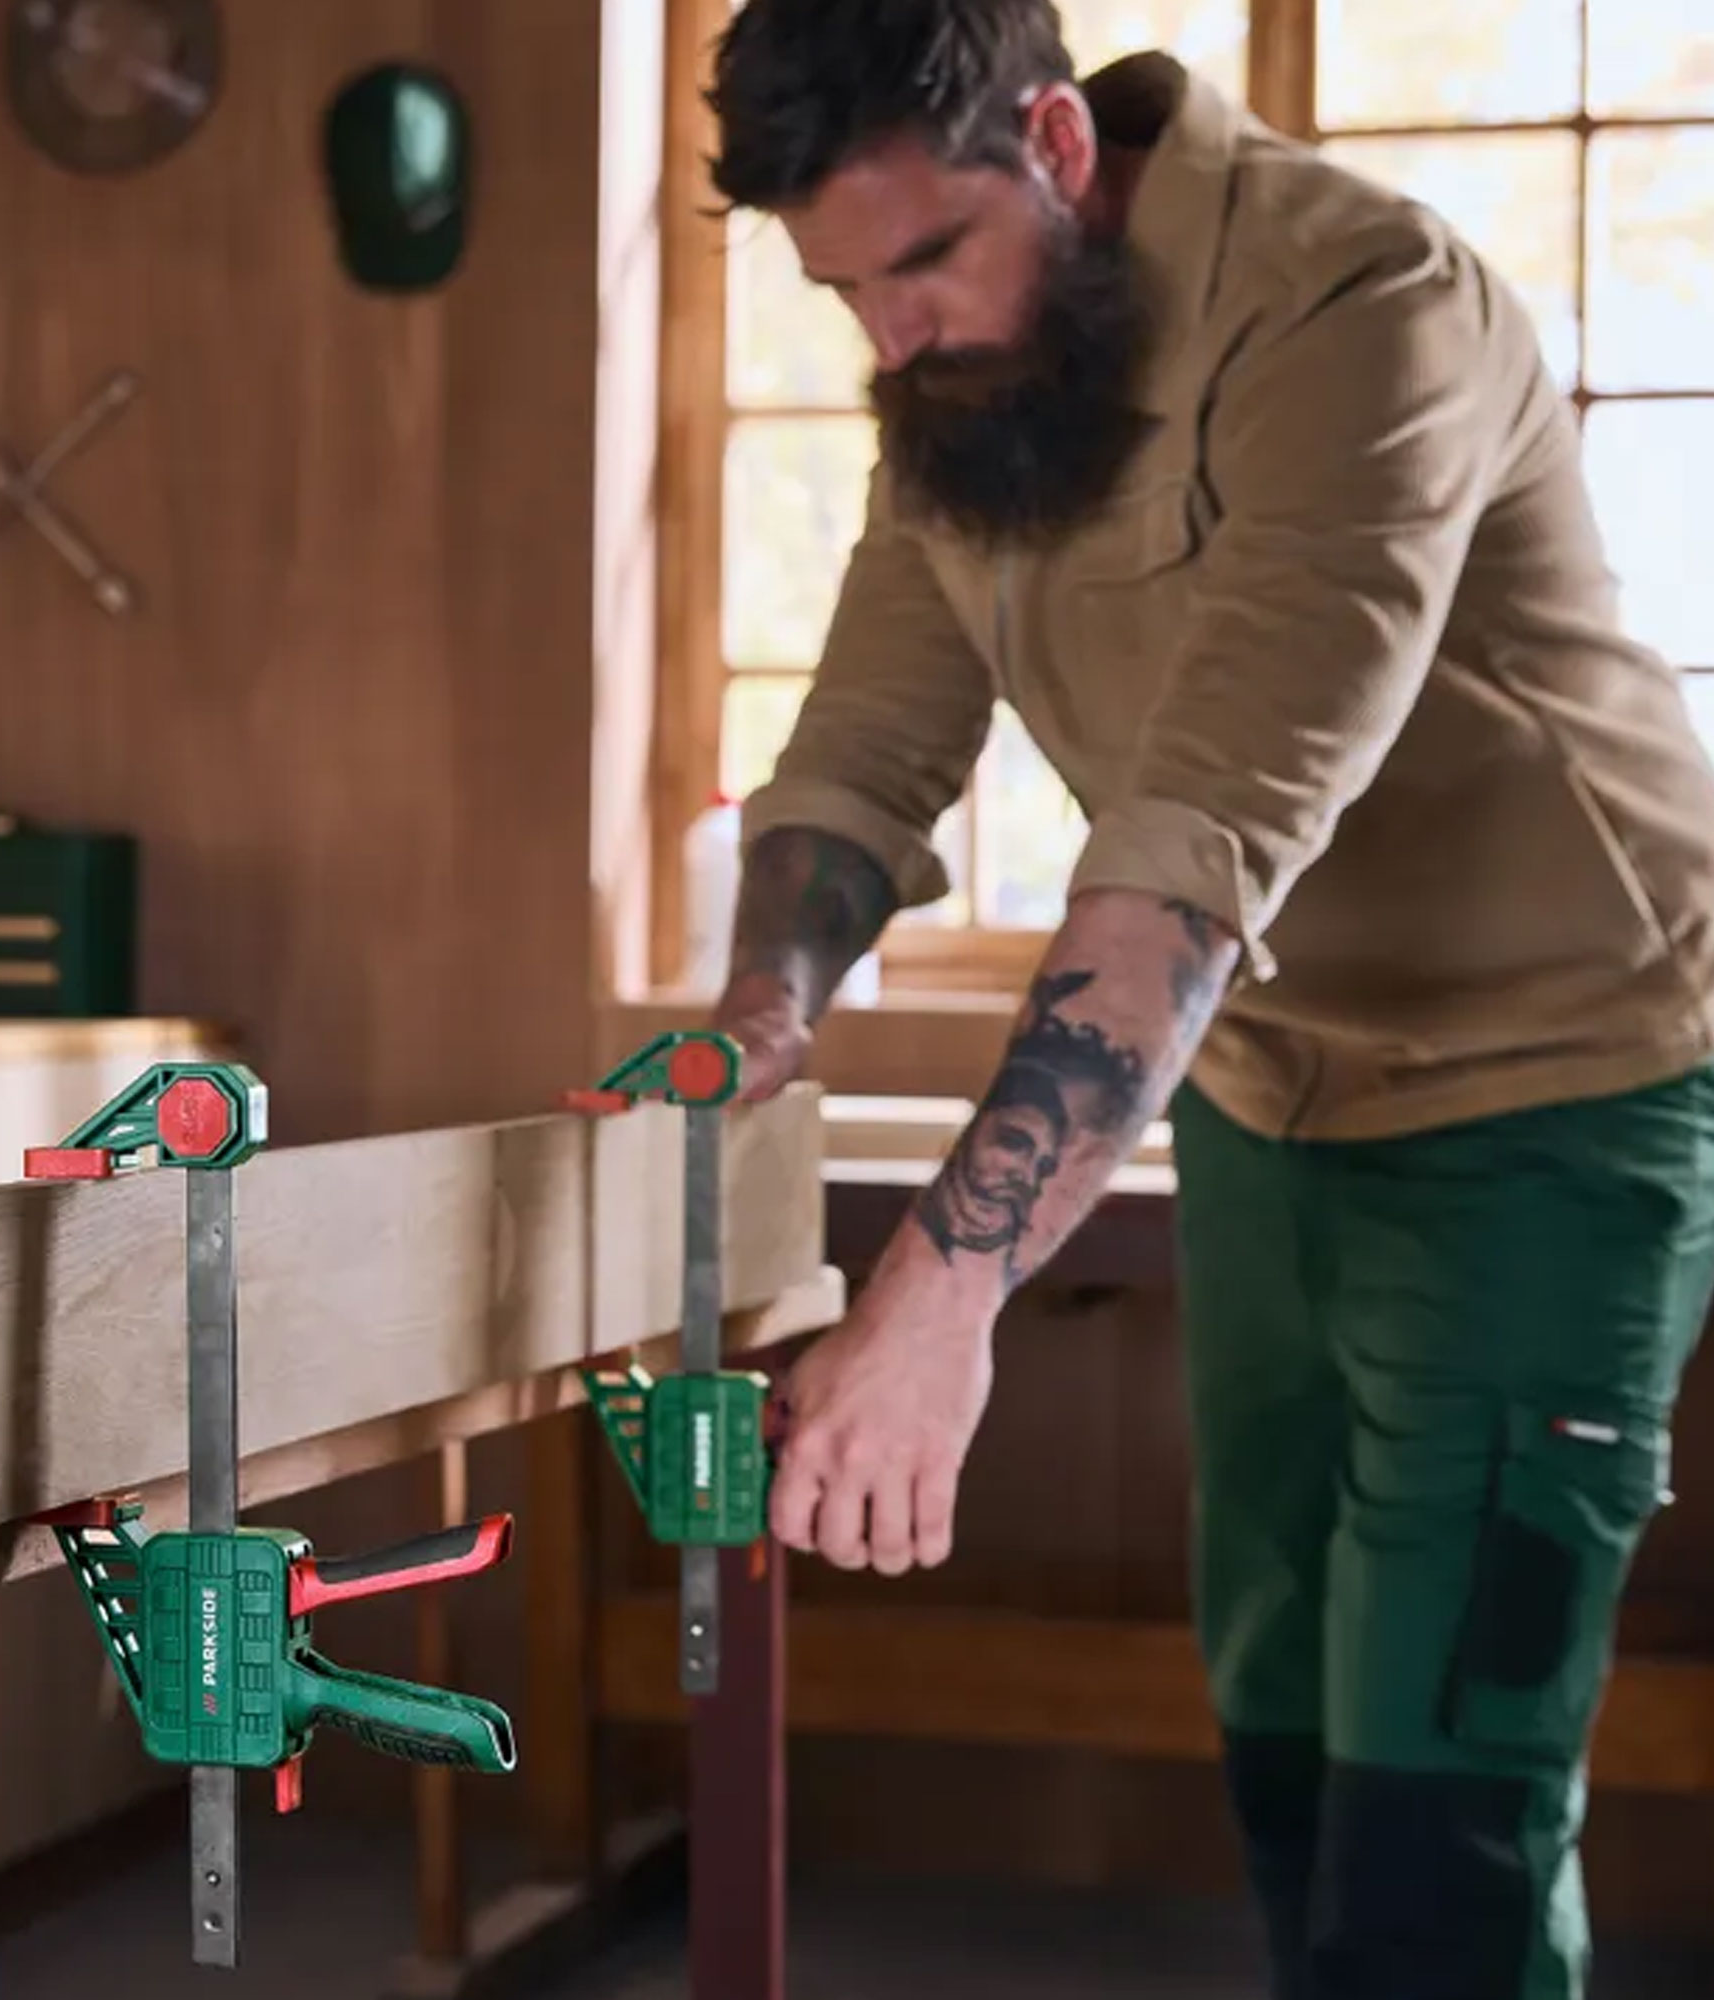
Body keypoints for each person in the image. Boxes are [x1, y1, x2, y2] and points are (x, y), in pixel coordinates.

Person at [699, 3, 1714, 1995]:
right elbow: (871, 735)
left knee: (1444, 1782)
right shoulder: (970, 384)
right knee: (1288, 1712)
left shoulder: (1363, 309)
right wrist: (762, 1012)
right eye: (845, 292)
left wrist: (945, 1292)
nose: (891, 337)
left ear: (1061, 148)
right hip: (1268, 1094)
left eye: (922, 263)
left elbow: (1203, 836)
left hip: (1552, 1096)